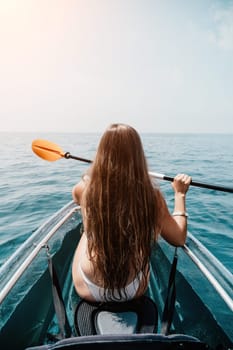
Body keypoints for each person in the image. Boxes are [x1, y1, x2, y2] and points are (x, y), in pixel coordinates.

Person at [72, 123, 191, 303]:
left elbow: (77, 199)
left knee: (87, 234)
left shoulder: (83, 189)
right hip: (133, 288)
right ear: (138, 155)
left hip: (88, 286)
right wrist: (180, 194)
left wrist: (92, 180)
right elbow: (178, 238)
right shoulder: (151, 196)